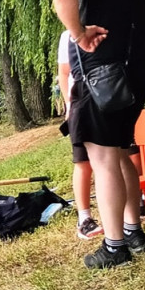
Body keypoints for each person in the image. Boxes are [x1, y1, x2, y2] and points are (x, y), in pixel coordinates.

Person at [52, 0, 145, 268]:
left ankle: (114, 247)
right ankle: (132, 230)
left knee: (102, 158)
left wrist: (78, 35)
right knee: (121, 150)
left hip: (99, 79)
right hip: (135, 74)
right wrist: (138, 38)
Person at [57, 30, 103, 240]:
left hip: (110, 99)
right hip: (80, 103)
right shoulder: (68, 35)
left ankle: (132, 208)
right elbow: (64, 73)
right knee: (83, 162)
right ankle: (84, 218)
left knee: (122, 156)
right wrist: (69, 105)